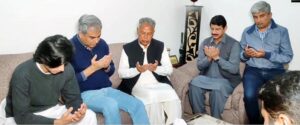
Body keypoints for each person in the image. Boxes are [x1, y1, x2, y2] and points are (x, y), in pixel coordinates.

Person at [70, 14, 149, 125]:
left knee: (138, 104)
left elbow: (111, 70)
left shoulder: (102, 44)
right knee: (111, 105)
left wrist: (107, 66)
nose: (97, 41)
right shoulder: (69, 48)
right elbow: (68, 82)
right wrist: (93, 68)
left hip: (107, 89)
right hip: (85, 94)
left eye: (99, 36)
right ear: (81, 33)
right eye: (92, 37)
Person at [1, 35, 97, 125]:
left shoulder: (67, 68)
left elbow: (74, 98)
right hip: (21, 115)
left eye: (65, 63)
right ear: (44, 59)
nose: (62, 69)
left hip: (49, 108)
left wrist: (79, 112)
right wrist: (57, 122)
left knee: (90, 116)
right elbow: (21, 117)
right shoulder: (22, 73)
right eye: (59, 65)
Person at [118, 17, 182, 125]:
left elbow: (169, 70)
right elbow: (121, 73)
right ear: (138, 31)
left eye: (149, 34)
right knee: (152, 98)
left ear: (154, 33)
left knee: (173, 96)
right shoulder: (128, 48)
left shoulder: (160, 45)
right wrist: (136, 70)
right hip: (138, 84)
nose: (146, 37)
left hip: (158, 83)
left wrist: (156, 68)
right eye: (143, 33)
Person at [240, 1, 294, 124]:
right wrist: (246, 54)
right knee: (249, 96)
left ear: (270, 15)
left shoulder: (282, 31)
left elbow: (287, 57)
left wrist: (266, 54)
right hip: (253, 70)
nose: (258, 20)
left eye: (262, 16)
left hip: (275, 70)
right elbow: (241, 56)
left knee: (278, 99)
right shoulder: (247, 32)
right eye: (255, 17)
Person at [188, 15, 241, 119]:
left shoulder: (234, 44)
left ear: (225, 28)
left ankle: (214, 120)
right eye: (212, 29)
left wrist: (217, 58)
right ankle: (200, 117)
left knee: (218, 90)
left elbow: (234, 69)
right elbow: (199, 66)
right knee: (194, 83)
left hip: (225, 81)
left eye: (218, 29)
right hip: (207, 78)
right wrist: (208, 58)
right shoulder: (205, 42)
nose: (214, 32)